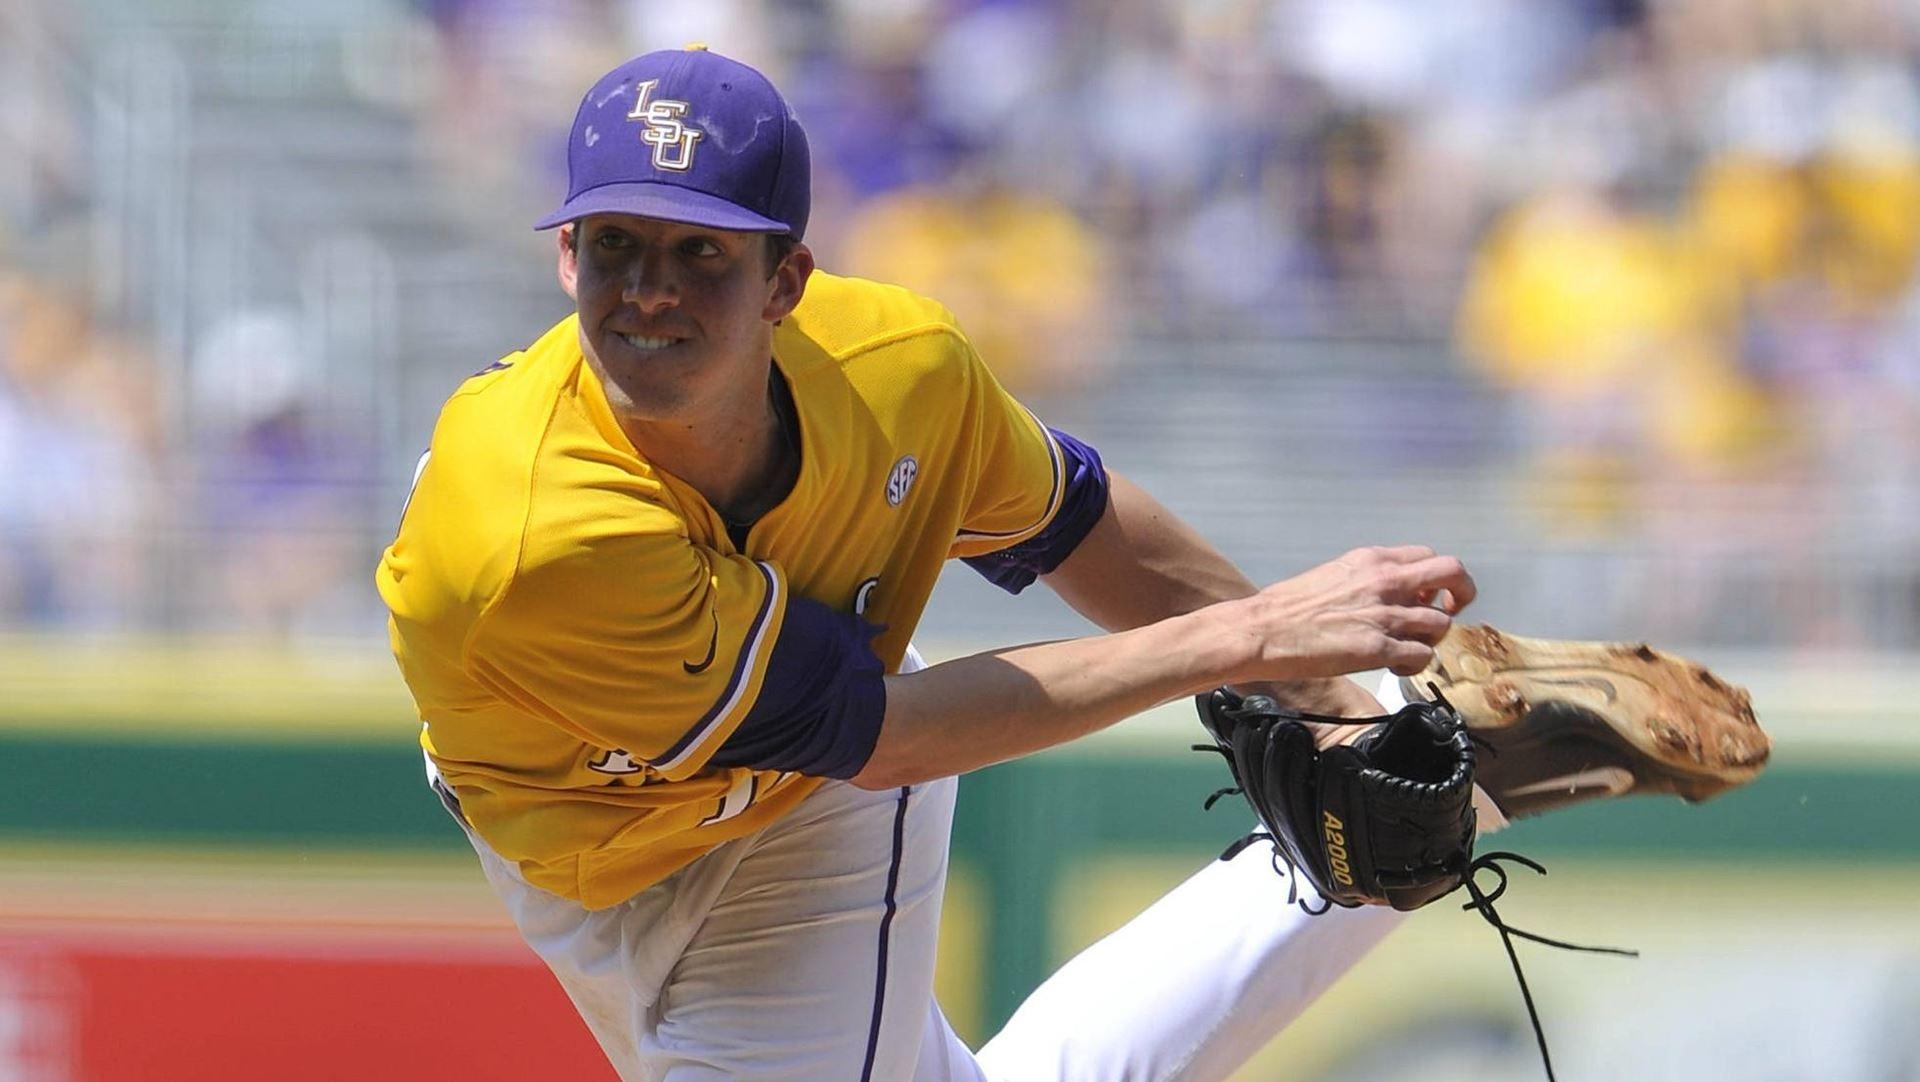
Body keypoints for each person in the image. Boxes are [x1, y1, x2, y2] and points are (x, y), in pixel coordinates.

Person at [376, 46, 1564, 1081]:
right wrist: (1258, 639)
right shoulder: (536, 524)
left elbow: (1072, 533)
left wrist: (1328, 702)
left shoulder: (896, 367)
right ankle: (1468, 758)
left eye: (703, 252)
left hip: (804, 801)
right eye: (619, 245)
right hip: (583, 834)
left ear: (786, 279)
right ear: (566, 258)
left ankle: (1447, 741)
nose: (650, 290)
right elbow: (889, 727)